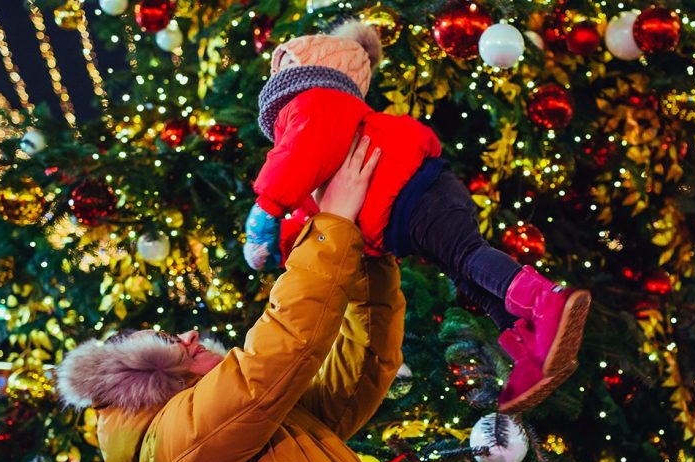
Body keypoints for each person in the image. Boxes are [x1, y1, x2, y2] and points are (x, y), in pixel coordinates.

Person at [57, 138, 404, 462]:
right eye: (167, 342)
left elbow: (361, 365)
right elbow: (280, 351)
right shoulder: (170, 445)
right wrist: (332, 223)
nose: (189, 334)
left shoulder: (262, 423)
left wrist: (369, 257)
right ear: (145, 378)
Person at [242, 21, 591, 414]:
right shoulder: (323, 131)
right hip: (410, 204)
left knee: (465, 255)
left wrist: (267, 208)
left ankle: (545, 301)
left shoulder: (317, 102)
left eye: (283, 65)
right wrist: (279, 245)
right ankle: (530, 343)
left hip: (413, 190)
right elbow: (312, 208)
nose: (275, 75)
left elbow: (299, 155)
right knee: (466, 274)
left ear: (305, 68)